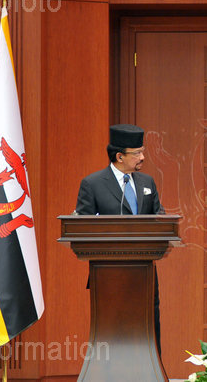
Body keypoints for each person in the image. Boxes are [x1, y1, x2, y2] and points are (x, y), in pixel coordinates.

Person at [75, 123, 165, 351]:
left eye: (142, 151)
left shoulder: (147, 183)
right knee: (112, 334)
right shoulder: (93, 184)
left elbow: (161, 219)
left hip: (144, 273)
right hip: (108, 275)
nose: (142, 157)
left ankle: (152, 369)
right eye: (137, 153)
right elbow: (82, 228)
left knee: (148, 331)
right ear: (119, 156)